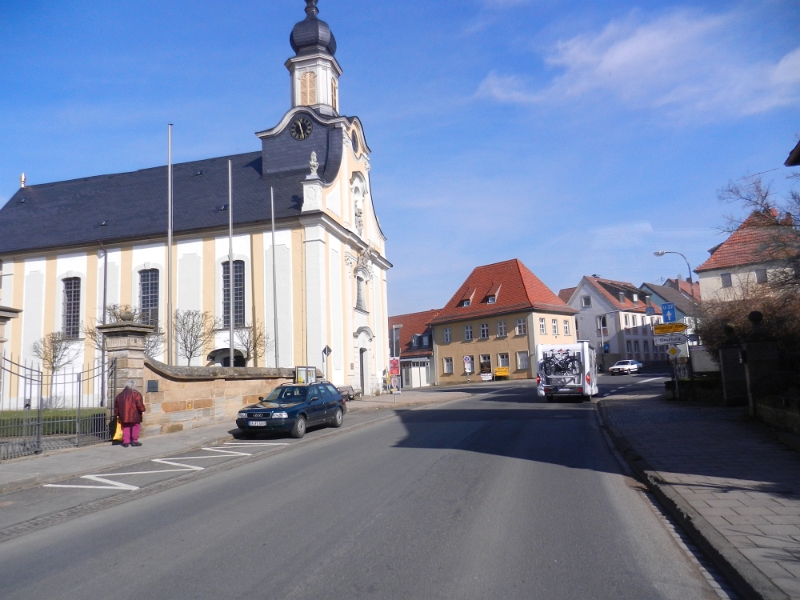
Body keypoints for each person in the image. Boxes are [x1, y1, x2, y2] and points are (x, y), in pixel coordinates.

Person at [114, 380, 145, 448]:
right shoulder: (136, 393)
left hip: (124, 414)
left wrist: (117, 414)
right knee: (136, 426)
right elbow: (139, 404)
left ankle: (126, 442)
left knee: (126, 426)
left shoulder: (120, 395)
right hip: (135, 413)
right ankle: (134, 441)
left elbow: (116, 406)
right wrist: (143, 411)